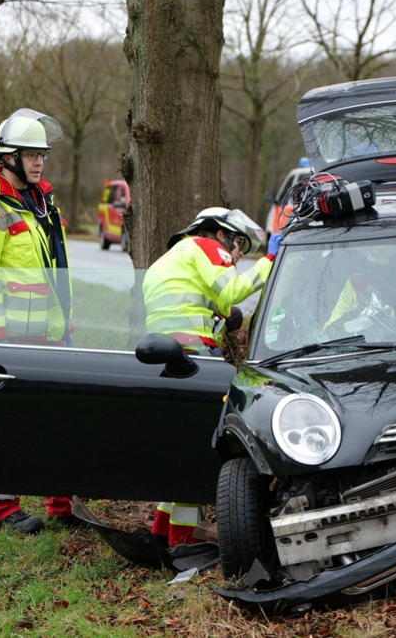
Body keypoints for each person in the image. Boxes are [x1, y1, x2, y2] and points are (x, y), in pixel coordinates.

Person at [143, 207, 280, 547]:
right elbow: (232, 290)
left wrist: (224, 314)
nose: (236, 256)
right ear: (221, 234)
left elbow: (210, 299)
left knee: (180, 447)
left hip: (169, 358)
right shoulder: (206, 246)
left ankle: (161, 533)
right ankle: (184, 544)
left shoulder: (175, 255)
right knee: (197, 452)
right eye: (237, 246)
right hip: (192, 359)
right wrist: (271, 259)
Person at [0, 108, 79, 534]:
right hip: (8, 337)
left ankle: (62, 502)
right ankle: (0, 511)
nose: (39, 161)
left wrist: (67, 324)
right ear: (7, 158)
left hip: (46, 332)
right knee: (8, 422)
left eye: (42, 153)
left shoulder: (43, 200)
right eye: (30, 154)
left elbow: (54, 269)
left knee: (55, 414)